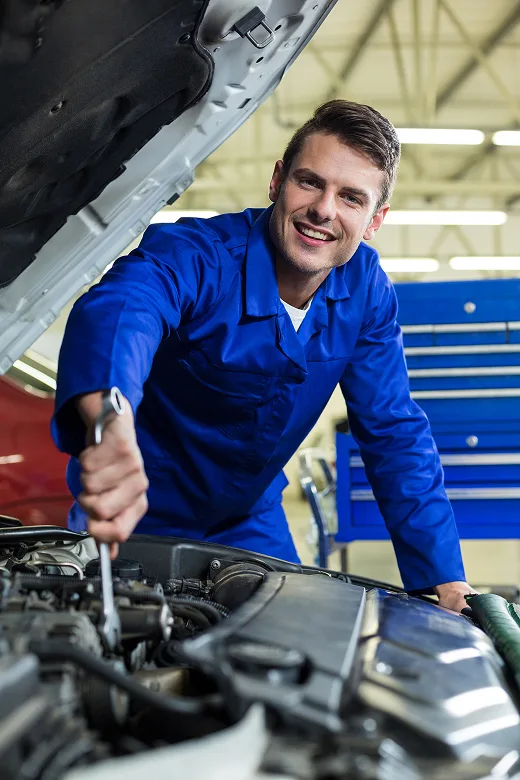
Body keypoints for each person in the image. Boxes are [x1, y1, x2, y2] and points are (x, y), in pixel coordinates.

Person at [52, 100, 474, 611]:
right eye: (310, 182)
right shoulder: (201, 255)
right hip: (137, 509)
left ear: (375, 220)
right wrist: (109, 420)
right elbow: (123, 307)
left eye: (351, 198)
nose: (324, 209)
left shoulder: (366, 291)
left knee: (294, 645)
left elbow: (393, 430)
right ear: (278, 181)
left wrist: (442, 575)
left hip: (252, 519)